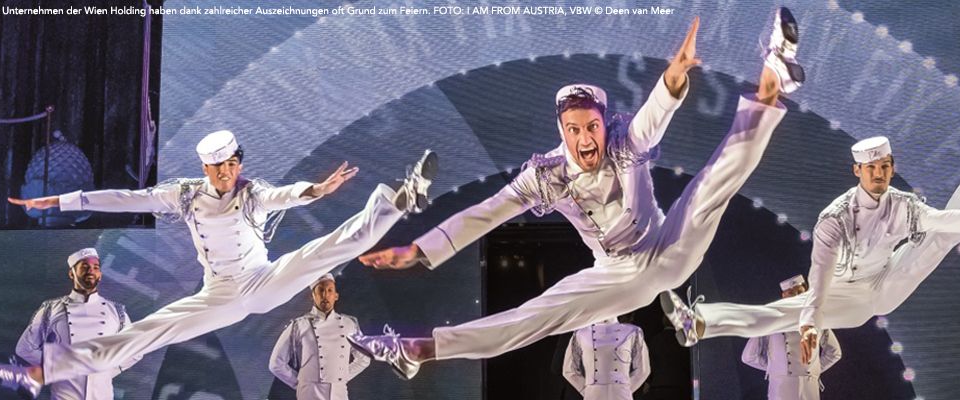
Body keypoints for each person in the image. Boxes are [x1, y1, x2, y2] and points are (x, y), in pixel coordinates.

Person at [350, 8, 805, 379]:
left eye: (592, 127)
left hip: (665, 244)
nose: (585, 139)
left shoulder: (624, 141)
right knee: (533, 317)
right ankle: (417, 350)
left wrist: (673, 77)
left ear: (604, 124)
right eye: (574, 130)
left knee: (712, 186)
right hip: (615, 275)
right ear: (562, 131)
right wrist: (419, 250)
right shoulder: (545, 174)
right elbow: (487, 212)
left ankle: (773, 79)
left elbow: (653, 118)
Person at [0, 130, 437, 399]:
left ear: (238, 163)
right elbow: (129, 198)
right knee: (149, 330)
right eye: (217, 168)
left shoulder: (251, 193)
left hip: (263, 279)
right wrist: (64, 200)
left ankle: (402, 197)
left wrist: (314, 190)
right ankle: (40, 372)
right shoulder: (184, 195)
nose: (225, 173)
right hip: (219, 292)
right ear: (205, 168)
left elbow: (283, 195)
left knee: (327, 251)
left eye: (231, 165)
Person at [661, 109, 960, 366]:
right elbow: (820, 276)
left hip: (886, 278)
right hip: (845, 294)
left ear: (892, 168)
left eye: (884, 166)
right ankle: (698, 323)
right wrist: (810, 324)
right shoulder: (834, 218)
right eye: (871, 168)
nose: (879, 174)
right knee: (774, 316)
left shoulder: (902, 204)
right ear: (858, 171)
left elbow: (940, 219)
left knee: (940, 236)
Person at [7, 248, 141, 400]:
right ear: (72, 273)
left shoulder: (116, 311)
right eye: (85, 266)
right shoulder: (51, 309)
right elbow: (25, 348)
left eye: (96, 267)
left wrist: (106, 371)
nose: (91, 271)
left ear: (100, 275)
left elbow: (135, 351)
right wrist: (60, 368)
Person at [269, 273, 370, 400]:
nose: (325, 295)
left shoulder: (348, 324)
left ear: (336, 296)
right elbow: (276, 363)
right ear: (312, 296)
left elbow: (364, 358)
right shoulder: (299, 325)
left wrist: (341, 377)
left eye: (329, 290)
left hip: (339, 393)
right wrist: (299, 383)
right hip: (309, 393)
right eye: (320, 290)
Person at [740, 275, 840, 400]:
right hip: (781, 387)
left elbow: (834, 352)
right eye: (791, 293)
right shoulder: (771, 320)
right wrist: (777, 369)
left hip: (809, 385)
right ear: (784, 296)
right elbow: (748, 357)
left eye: (800, 292)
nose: (796, 297)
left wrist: (814, 371)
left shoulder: (816, 319)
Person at [562, 316, 650, 400]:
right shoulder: (581, 333)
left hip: (619, 394)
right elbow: (569, 370)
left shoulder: (632, 331)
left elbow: (643, 370)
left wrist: (625, 390)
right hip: (595, 395)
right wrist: (587, 391)